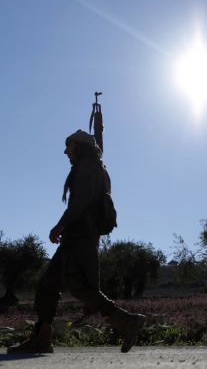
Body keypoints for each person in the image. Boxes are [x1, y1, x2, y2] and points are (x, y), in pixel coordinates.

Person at [8, 130, 145, 354]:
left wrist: (60, 225)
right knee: (47, 286)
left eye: (68, 146)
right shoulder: (96, 166)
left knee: (81, 287)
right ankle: (41, 338)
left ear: (79, 147)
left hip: (80, 236)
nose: (65, 151)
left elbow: (80, 201)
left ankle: (126, 321)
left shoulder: (87, 166)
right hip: (80, 236)